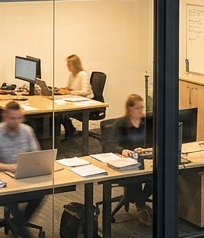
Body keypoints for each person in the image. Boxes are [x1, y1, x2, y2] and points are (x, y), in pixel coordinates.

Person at [0, 101, 44, 238]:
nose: (16, 122)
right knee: (11, 199)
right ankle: (23, 231)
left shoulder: (27, 131)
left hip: (23, 175)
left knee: (41, 191)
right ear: (4, 117)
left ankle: (18, 223)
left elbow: (36, 155)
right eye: (12, 118)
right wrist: (8, 167)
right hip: (2, 178)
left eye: (19, 118)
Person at [103, 94, 154, 224]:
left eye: (142, 108)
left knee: (158, 176)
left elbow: (153, 140)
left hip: (145, 160)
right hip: (125, 163)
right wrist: (122, 150)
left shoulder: (145, 123)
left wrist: (149, 149)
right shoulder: (121, 124)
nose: (141, 111)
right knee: (135, 178)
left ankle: (140, 201)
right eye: (137, 108)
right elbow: (109, 144)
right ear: (129, 109)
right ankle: (141, 206)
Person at [56, 54, 92, 138]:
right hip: (75, 99)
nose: (67, 66)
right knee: (58, 111)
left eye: (69, 64)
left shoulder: (83, 75)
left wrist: (68, 93)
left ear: (75, 65)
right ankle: (70, 129)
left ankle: (70, 130)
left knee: (61, 113)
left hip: (86, 101)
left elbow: (85, 91)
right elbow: (71, 88)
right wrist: (62, 89)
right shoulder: (72, 74)